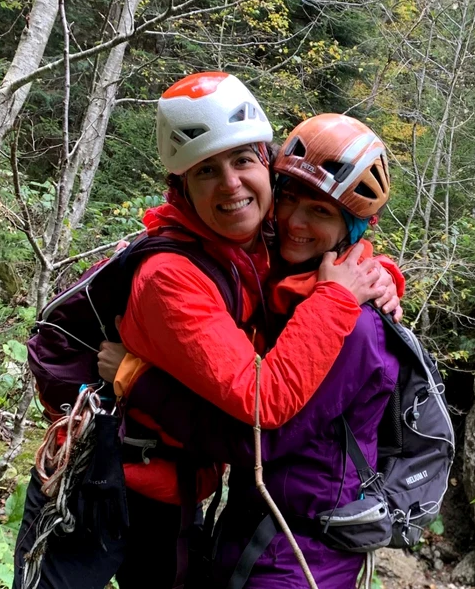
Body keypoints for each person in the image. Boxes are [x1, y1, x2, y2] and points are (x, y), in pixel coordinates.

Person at [13, 73, 403, 589]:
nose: (231, 184)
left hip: (178, 489)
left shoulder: (252, 234)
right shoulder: (170, 277)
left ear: (266, 165)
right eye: (206, 171)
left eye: (243, 160)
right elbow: (263, 403)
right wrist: (337, 297)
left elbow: (321, 240)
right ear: (183, 189)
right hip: (100, 483)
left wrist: (379, 276)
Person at [113, 113, 401, 588]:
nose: (293, 222)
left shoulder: (349, 322)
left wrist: (140, 381)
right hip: (258, 530)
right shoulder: (288, 282)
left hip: (300, 551)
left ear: (352, 230)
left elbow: (260, 442)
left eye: (321, 213)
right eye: (289, 199)